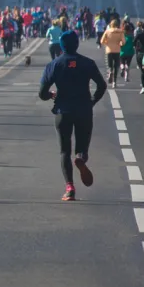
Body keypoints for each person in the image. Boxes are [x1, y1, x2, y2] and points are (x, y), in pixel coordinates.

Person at [38, 31, 106, 201]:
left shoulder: (54, 65)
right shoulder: (88, 63)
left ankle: (70, 187)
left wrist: (51, 95)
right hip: (83, 109)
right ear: (77, 44)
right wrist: (92, 101)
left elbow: (42, 93)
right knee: (82, 147)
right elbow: (102, 85)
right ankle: (81, 158)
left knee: (64, 151)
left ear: (61, 46)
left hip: (63, 111)